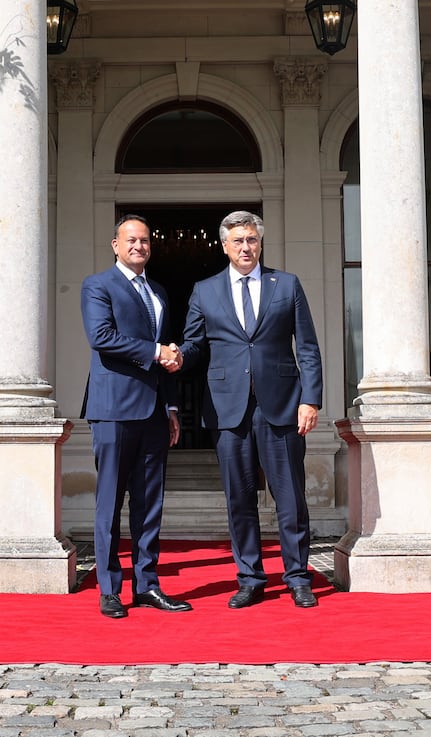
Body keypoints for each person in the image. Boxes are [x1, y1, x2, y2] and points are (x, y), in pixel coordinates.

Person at [180, 210, 322, 609]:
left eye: (252, 240)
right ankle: (250, 577)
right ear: (224, 246)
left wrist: (310, 399)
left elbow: (307, 348)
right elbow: (194, 347)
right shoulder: (204, 291)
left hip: (283, 406)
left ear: (261, 243)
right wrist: (174, 356)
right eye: (238, 241)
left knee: (290, 496)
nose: (246, 247)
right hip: (228, 410)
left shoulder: (287, 284)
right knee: (239, 497)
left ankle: (297, 576)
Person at [80, 214, 192, 619]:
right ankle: (110, 589)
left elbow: (164, 353)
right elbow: (102, 338)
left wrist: (172, 406)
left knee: (149, 504)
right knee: (109, 502)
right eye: (130, 240)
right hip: (113, 410)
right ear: (115, 244)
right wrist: (156, 352)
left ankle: (147, 584)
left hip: (155, 412)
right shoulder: (98, 286)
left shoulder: (158, 291)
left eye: (144, 241)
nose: (138, 246)